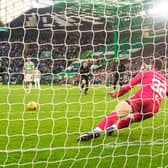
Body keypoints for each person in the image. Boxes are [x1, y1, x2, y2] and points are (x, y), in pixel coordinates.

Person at [78, 59, 168, 141]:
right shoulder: (166, 81)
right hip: (153, 109)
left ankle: (97, 130)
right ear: (161, 68)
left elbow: (127, 87)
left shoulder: (146, 72)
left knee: (118, 111)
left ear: (151, 65)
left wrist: (116, 95)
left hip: (142, 98)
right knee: (131, 119)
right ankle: (112, 128)